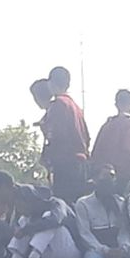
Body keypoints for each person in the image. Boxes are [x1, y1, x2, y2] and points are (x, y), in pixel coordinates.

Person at [40, 66, 91, 204]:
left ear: (51, 83)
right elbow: (87, 136)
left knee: (64, 206)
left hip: (65, 164)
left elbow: (56, 135)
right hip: (81, 163)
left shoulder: (58, 104)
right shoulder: (76, 107)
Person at [7, 183, 84, 258]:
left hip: (69, 251)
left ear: (30, 201)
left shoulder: (57, 204)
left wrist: (25, 230)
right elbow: (16, 224)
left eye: (21, 205)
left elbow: (55, 221)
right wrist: (18, 229)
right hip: (48, 252)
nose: (19, 209)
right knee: (23, 220)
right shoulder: (27, 214)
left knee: (48, 220)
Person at [90, 89, 130, 185]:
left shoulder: (107, 124)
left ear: (116, 105)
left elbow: (96, 151)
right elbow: (129, 150)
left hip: (101, 175)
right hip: (122, 176)